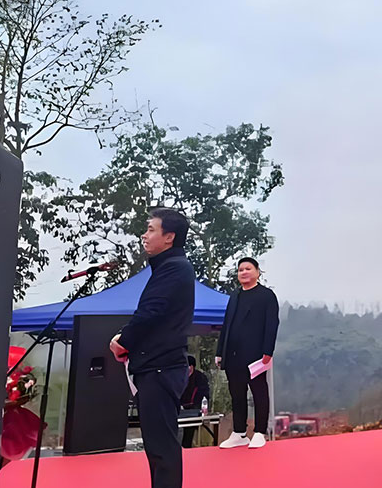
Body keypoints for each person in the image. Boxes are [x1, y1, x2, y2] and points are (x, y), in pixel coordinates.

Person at [109, 207, 195, 488]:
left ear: (169, 237)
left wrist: (123, 341)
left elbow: (151, 312)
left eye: (150, 230)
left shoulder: (174, 268)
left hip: (161, 366)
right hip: (157, 365)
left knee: (162, 449)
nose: (144, 236)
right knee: (158, 449)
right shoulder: (169, 267)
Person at [216, 257, 280, 450]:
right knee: (236, 393)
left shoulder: (266, 296)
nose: (243, 272)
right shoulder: (235, 296)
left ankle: (260, 431)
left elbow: (272, 324)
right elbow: (227, 325)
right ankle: (239, 432)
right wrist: (220, 351)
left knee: (259, 391)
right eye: (240, 269)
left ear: (257, 272)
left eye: (248, 268)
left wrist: (268, 350)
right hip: (233, 353)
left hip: (256, 354)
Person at [180, 355, 211, 449]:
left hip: (194, 408)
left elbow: (204, 394)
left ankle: (186, 446)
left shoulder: (200, 377)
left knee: (190, 424)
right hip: (179, 408)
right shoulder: (179, 377)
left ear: (192, 367)